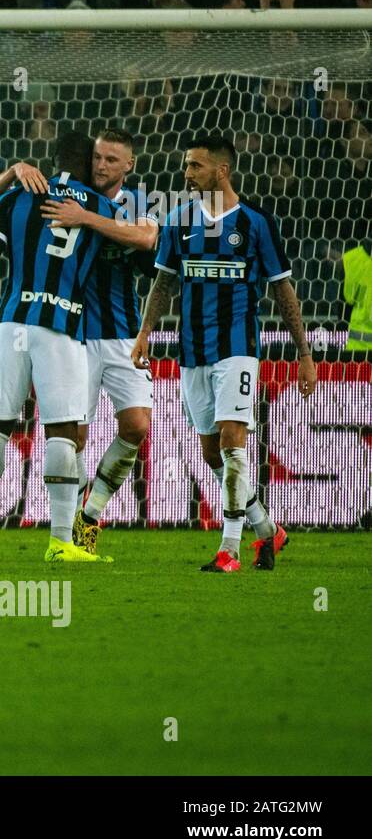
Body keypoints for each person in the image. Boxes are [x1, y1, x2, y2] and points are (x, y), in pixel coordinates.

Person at [133, 136, 316, 572]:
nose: (186, 174)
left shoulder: (255, 222)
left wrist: (304, 353)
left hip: (237, 347)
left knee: (235, 445)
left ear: (221, 171)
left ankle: (229, 550)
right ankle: (267, 529)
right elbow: (163, 284)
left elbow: (282, 290)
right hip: (192, 350)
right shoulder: (178, 221)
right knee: (213, 453)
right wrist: (144, 332)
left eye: (195, 166)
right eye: (185, 165)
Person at [0, 131, 116, 564]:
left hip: (12, 324)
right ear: (89, 162)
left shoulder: (16, 198)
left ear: (51, 157)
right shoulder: (100, 209)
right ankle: (60, 543)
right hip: (61, 326)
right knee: (61, 430)